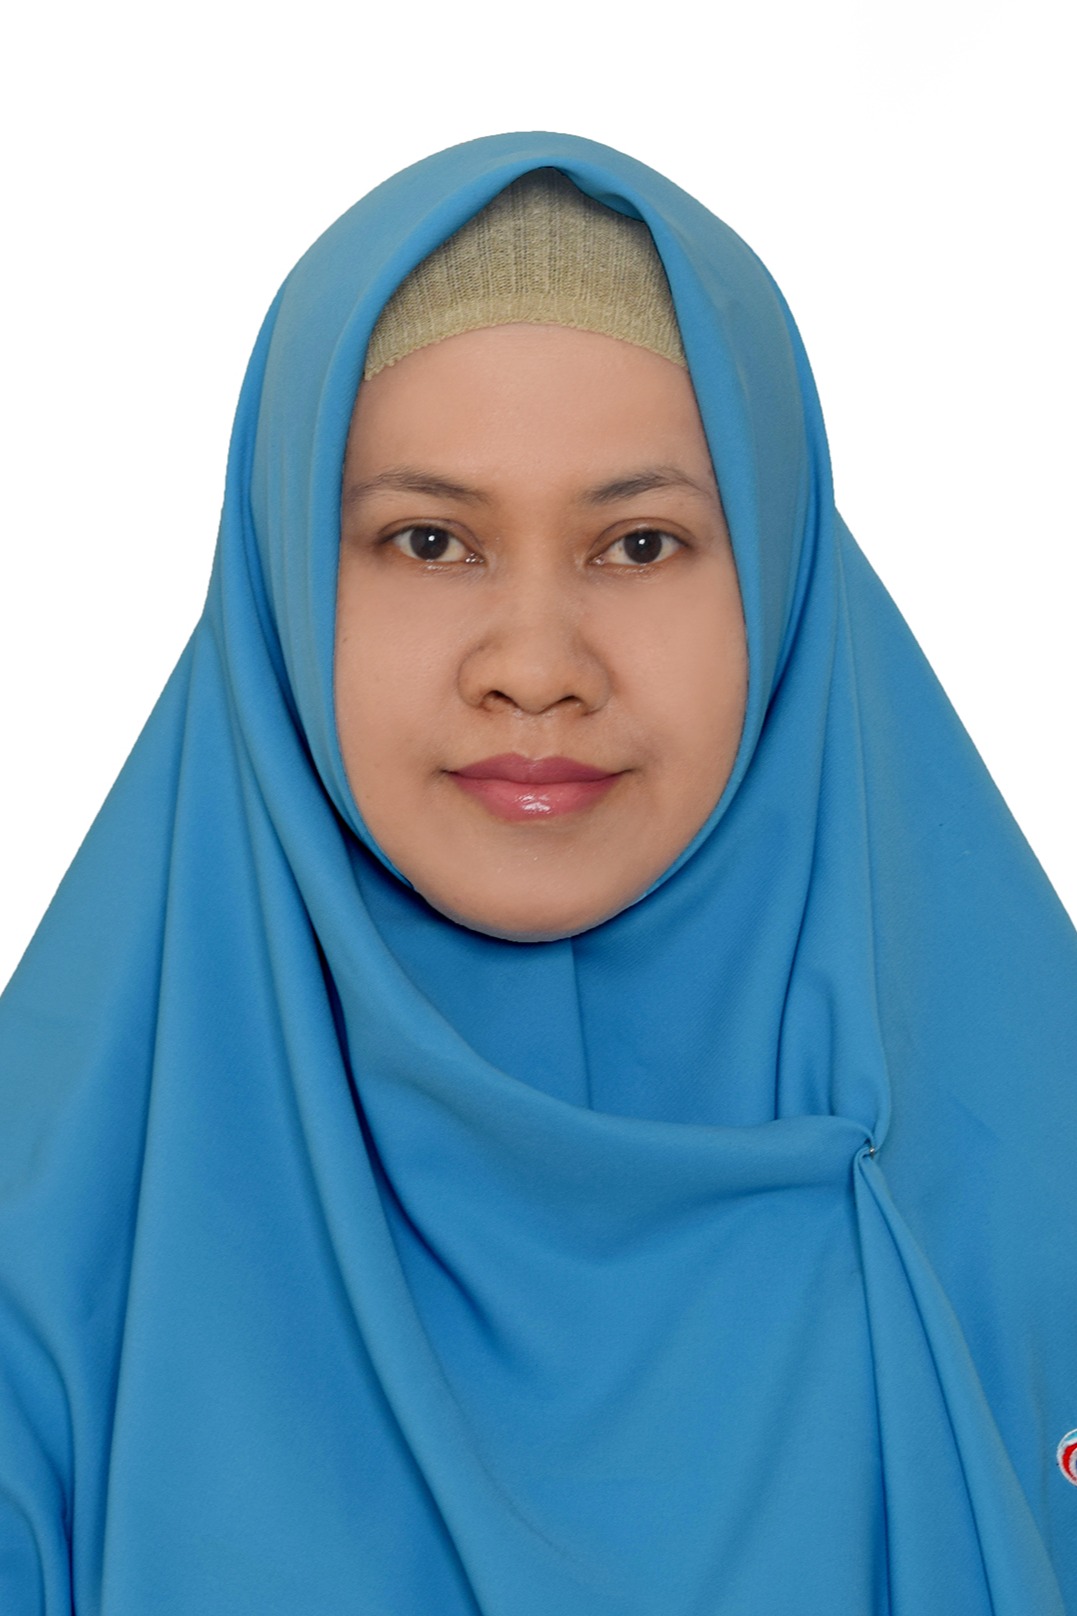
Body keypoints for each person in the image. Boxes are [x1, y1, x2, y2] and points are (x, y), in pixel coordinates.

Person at [0, 132, 1074, 1615]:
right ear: (282, 575)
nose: (533, 667)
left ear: (780, 578)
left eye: (638, 545)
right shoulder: (42, 1257)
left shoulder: (1037, 1212)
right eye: (428, 540)